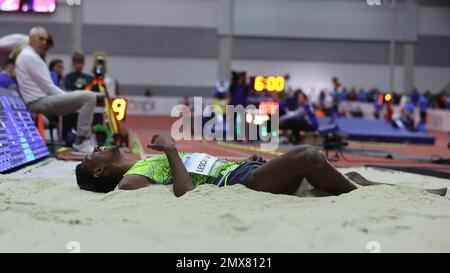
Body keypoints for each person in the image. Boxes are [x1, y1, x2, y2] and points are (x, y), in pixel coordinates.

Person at [75, 133, 450, 198]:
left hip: (242, 172)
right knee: (307, 156)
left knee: (348, 174)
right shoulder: (136, 176)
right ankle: (359, 198)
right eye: (92, 154)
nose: (97, 147)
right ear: (97, 171)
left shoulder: (146, 161)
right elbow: (186, 192)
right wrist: (172, 150)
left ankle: (409, 193)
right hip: (240, 185)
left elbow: (209, 165)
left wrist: (244, 159)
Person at [15, 26, 98, 153]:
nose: (43, 43)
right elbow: (48, 87)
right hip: (39, 101)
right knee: (89, 97)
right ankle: (81, 141)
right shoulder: (29, 56)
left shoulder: (30, 56)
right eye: (40, 39)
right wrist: (67, 97)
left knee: (81, 101)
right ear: (31, 39)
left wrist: (69, 99)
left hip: (41, 99)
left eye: (45, 40)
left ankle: (73, 138)